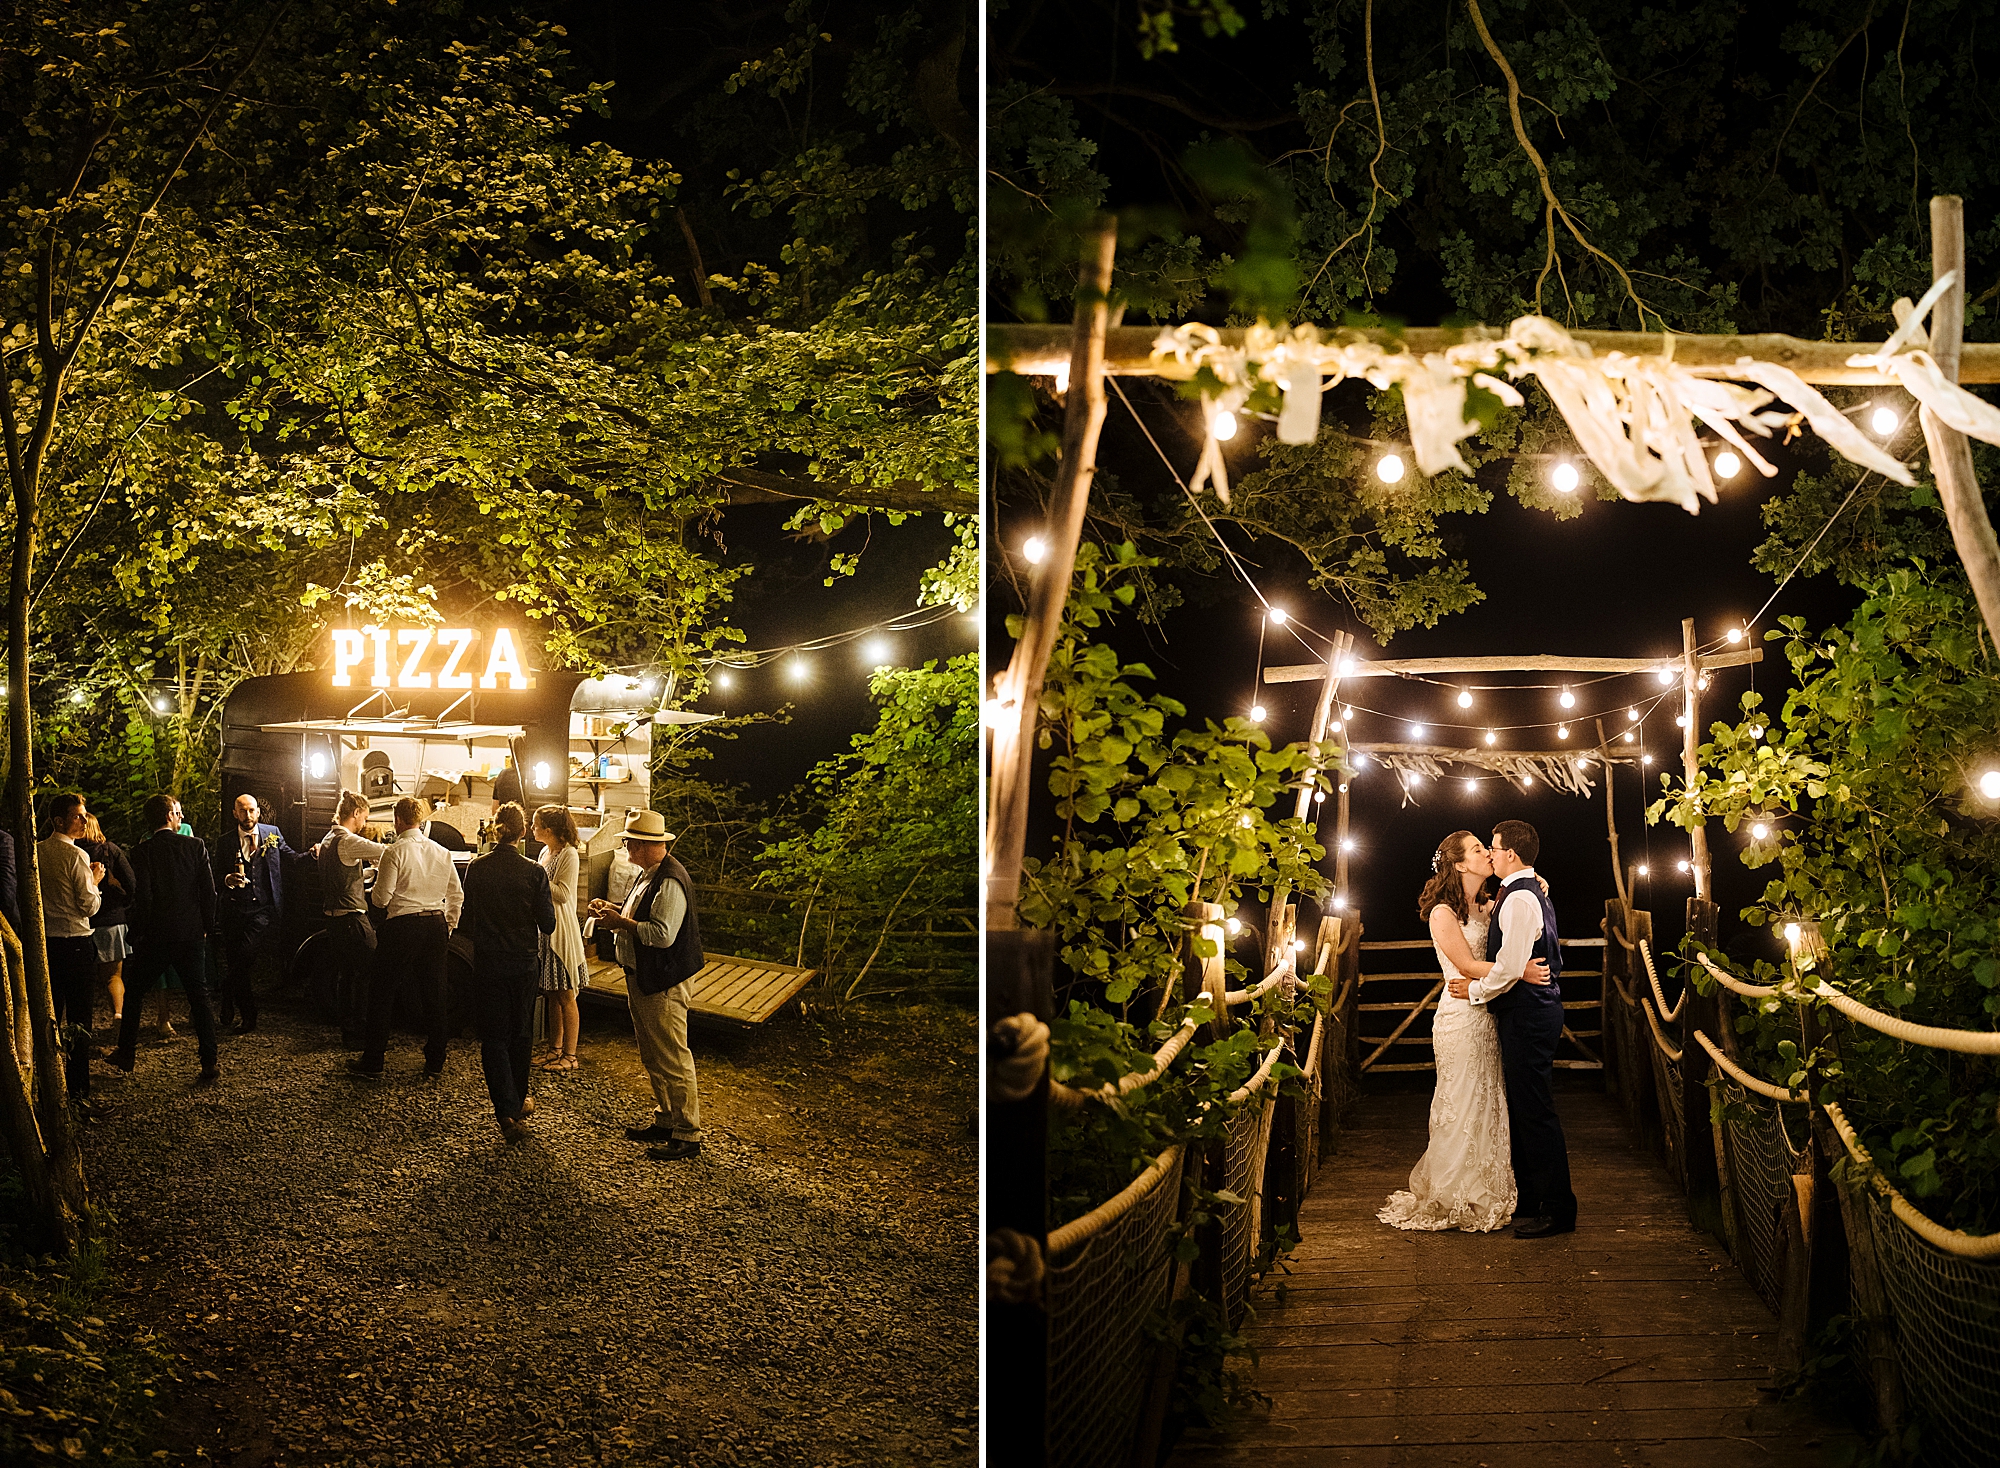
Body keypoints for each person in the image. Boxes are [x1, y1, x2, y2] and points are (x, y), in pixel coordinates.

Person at [1379, 831, 1550, 1233]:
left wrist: (1536, 879)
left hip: (1487, 1012)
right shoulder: (1442, 913)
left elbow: (1522, 906)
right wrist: (1520, 970)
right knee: (1462, 1098)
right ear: (1458, 865)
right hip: (1460, 1015)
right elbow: (1467, 965)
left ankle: (1486, 1186)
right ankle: (1453, 1192)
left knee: (1488, 1097)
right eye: (1478, 850)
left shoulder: (1487, 905)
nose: (1488, 854)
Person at [1447, 820, 1578, 1239]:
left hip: (1529, 1012)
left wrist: (1474, 992)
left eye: (1494, 847)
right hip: (1526, 1010)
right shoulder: (1520, 891)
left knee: (1536, 1111)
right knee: (1524, 1108)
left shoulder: (1520, 899)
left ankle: (1558, 1209)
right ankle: (1532, 1198)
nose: (1490, 852)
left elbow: (1506, 970)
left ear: (1511, 856)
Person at [589, 810, 704, 1162]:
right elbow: (644, 917)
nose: (625, 847)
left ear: (647, 845)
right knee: (654, 1055)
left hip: (663, 981)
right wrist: (614, 910)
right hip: (645, 977)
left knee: (672, 1057)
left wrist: (619, 921)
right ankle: (667, 1119)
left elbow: (662, 934)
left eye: (629, 842)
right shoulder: (649, 874)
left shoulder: (669, 880)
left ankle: (687, 1133)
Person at [457, 802, 555, 1141]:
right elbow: (549, 923)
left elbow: (467, 918)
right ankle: (516, 1105)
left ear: (497, 830)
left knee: (494, 1037)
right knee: (521, 1033)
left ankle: (506, 1110)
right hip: (524, 962)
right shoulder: (534, 872)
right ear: (523, 831)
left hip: (488, 962)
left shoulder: (477, 867)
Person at [111, 794, 221, 1084]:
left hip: (157, 936)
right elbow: (208, 892)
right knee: (199, 996)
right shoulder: (195, 846)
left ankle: (126, 1053)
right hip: (190, 933)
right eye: (177, 813)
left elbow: (144, 896)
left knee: (134, 993)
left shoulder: (143, 851)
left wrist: (137, 932)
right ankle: (209, 1061)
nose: (180, 817)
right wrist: (207, 927)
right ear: (170, 816)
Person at [350, 797, 461, 1079]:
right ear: (421, 820)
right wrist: (447, 925)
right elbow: (457, 895)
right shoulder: (442, 851)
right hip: (435, 924)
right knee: (435, 993)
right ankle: (435, 1061)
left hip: (403, 926)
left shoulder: (394, 852)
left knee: (382, 992)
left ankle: (374, 1060)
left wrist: (375, 887)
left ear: (397, 820)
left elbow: (381, 898)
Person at [37, 793, 104, 1098]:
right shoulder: (76, 856)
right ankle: (78, 1088)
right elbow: (88, 906)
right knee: (80, 1019)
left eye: (84, 814)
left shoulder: (37, 852)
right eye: (78, 815)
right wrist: (95, 882)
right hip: (76, 944)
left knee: (51, 1014)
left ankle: (49, 1084)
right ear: (58, 821)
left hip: (48, 944)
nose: (83, 820)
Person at [211, 793, 292, 1033]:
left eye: (252, 810)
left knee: (244, 957)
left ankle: (227, 992)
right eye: (243, 811)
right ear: (235, 813)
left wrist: (315, 853)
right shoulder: (225, 841)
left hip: (261, 910)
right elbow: (214, 875)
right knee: (239, 963)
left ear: (258, 811)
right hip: (234, 909)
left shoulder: (272, 832)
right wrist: (227, 878)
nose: (248, 815)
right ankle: (248, 1016)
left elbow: (290, 856)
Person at [317, 791, 388, 1042]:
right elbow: (384, 851)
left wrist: (369, 873)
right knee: (370, 972)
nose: (365, 824)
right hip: (352, 919)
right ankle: (362, 1028)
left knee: (346, 975)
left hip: (334, 919)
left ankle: (349, 1029)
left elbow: (345, 874)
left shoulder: (329, 839)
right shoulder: (348, 841)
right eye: (365, 817)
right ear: (356, 813)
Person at [532, 805, 589, 1072]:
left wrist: (536, 876)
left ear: (549, 829)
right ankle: (554, 1048)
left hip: (562, 930)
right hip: (545, 928)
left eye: (536, 824)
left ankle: (571, 1054)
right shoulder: (546, 851)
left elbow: (563, 893)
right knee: (552, 992)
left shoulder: (569, 855)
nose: (532, 829)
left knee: (566, 993)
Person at [78, 813, 137, 1042]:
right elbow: (132, 883)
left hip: (84, 922)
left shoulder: (74, 852)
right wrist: (124, 905)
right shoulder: (110, 850)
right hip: (112, 920)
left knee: (85, 978)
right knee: (114, 975)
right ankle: (118, 1013)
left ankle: (81, 1025)